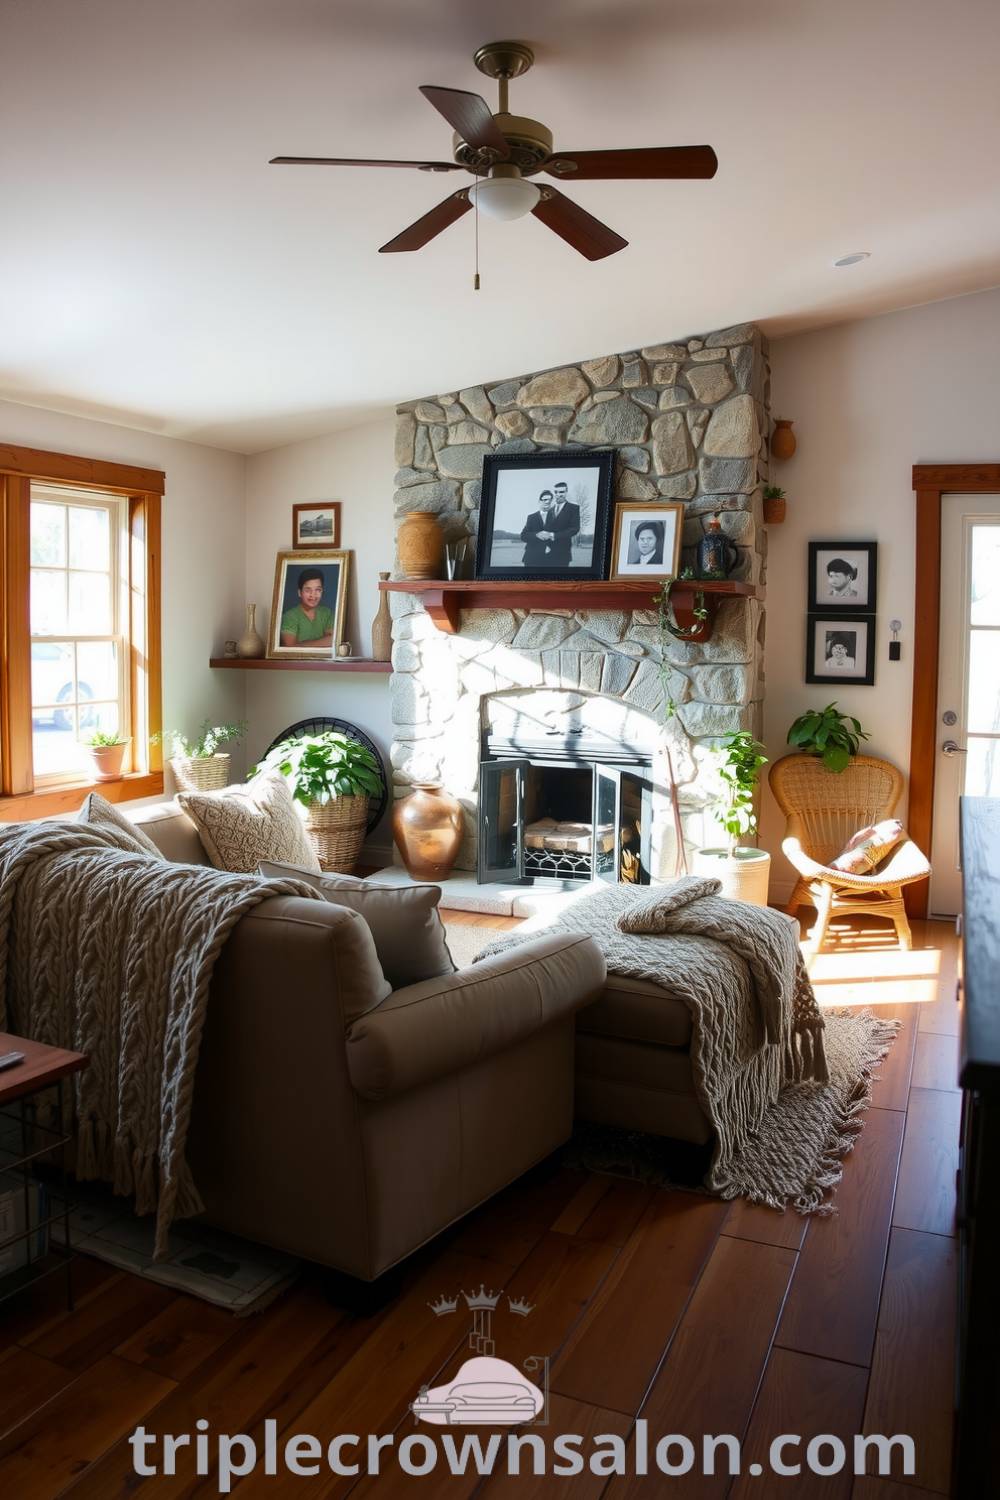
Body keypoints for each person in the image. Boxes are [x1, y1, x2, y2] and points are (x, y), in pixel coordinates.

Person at [520, 484, 581, 568]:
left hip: (559, 556)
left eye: (562, 492)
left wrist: (553, 535)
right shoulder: (534, 516)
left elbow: (574, 529)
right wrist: (537, 535)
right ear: (539, 501)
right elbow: (523, 535)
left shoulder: (573, 508)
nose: (558, 494)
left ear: (566, 492)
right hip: (533, 557)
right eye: (556, 492)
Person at [280, 567, 335, 647]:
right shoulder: (289, 616)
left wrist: (300, 645)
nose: (313, 595)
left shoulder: (327, 613)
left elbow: (332, 642)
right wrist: (323, 641)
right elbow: (290, 648)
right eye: (308, 590)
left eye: (318, 590)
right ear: (299, 593)